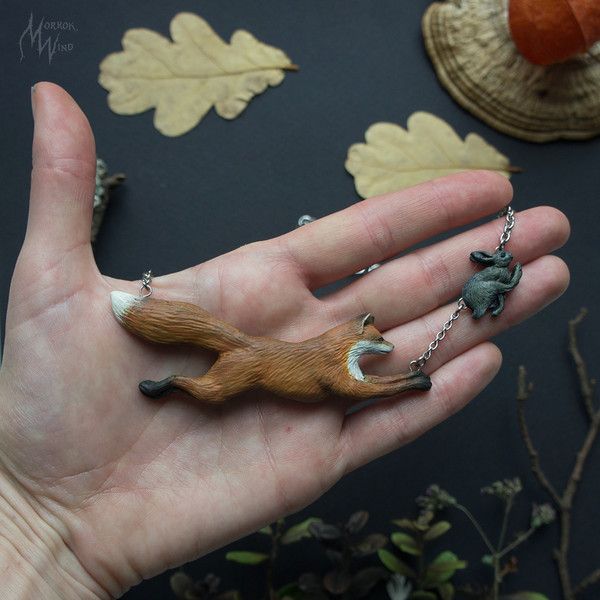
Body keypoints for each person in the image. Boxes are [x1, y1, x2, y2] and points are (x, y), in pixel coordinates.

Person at [0, 82, 569, 599]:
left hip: (257, 358)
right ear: (357, 333)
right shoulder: (337, 363)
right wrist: (405, 382)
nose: (378, 346)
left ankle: (174, 371)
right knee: (217, 394)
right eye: (372, 340)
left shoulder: (333, 352)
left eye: (374, 344)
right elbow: (356, 390)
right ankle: (170, 381)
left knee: (222, 380)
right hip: (256, 364)